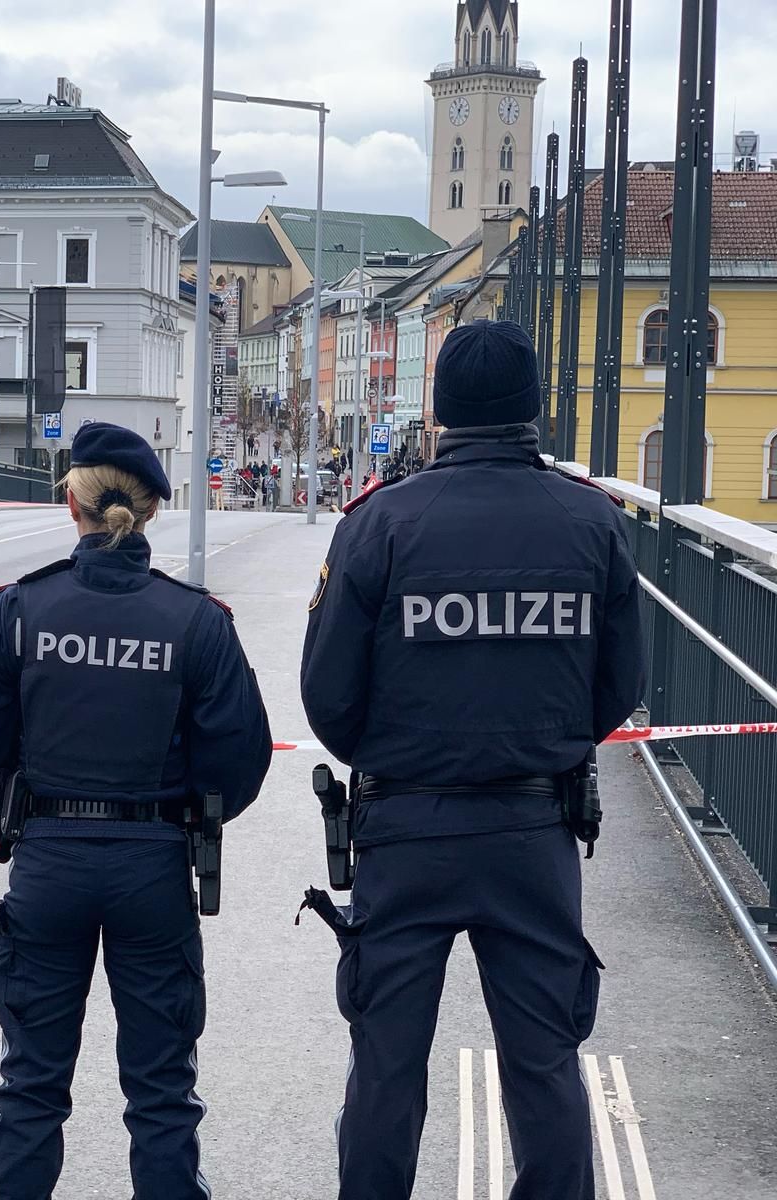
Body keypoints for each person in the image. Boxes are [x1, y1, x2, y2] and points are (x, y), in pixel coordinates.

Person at [300, 320, 646, 1200]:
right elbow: (619, 688)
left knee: (385, 1063)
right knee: (543, 1063)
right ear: (532, 408)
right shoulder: (591, 521)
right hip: (534, 828)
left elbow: (329, 697)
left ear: (441, 409)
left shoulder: (380, 522)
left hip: (405, 825)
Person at [0, 421, 274, 1200]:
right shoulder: (196, 621)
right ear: (152, 513)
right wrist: (179, 804)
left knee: (30, 1086)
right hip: (153, 867)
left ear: (73, 504)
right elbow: (241, 758)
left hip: (50, 861)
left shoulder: (20, 609)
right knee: (162, 1093)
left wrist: (37, 779)